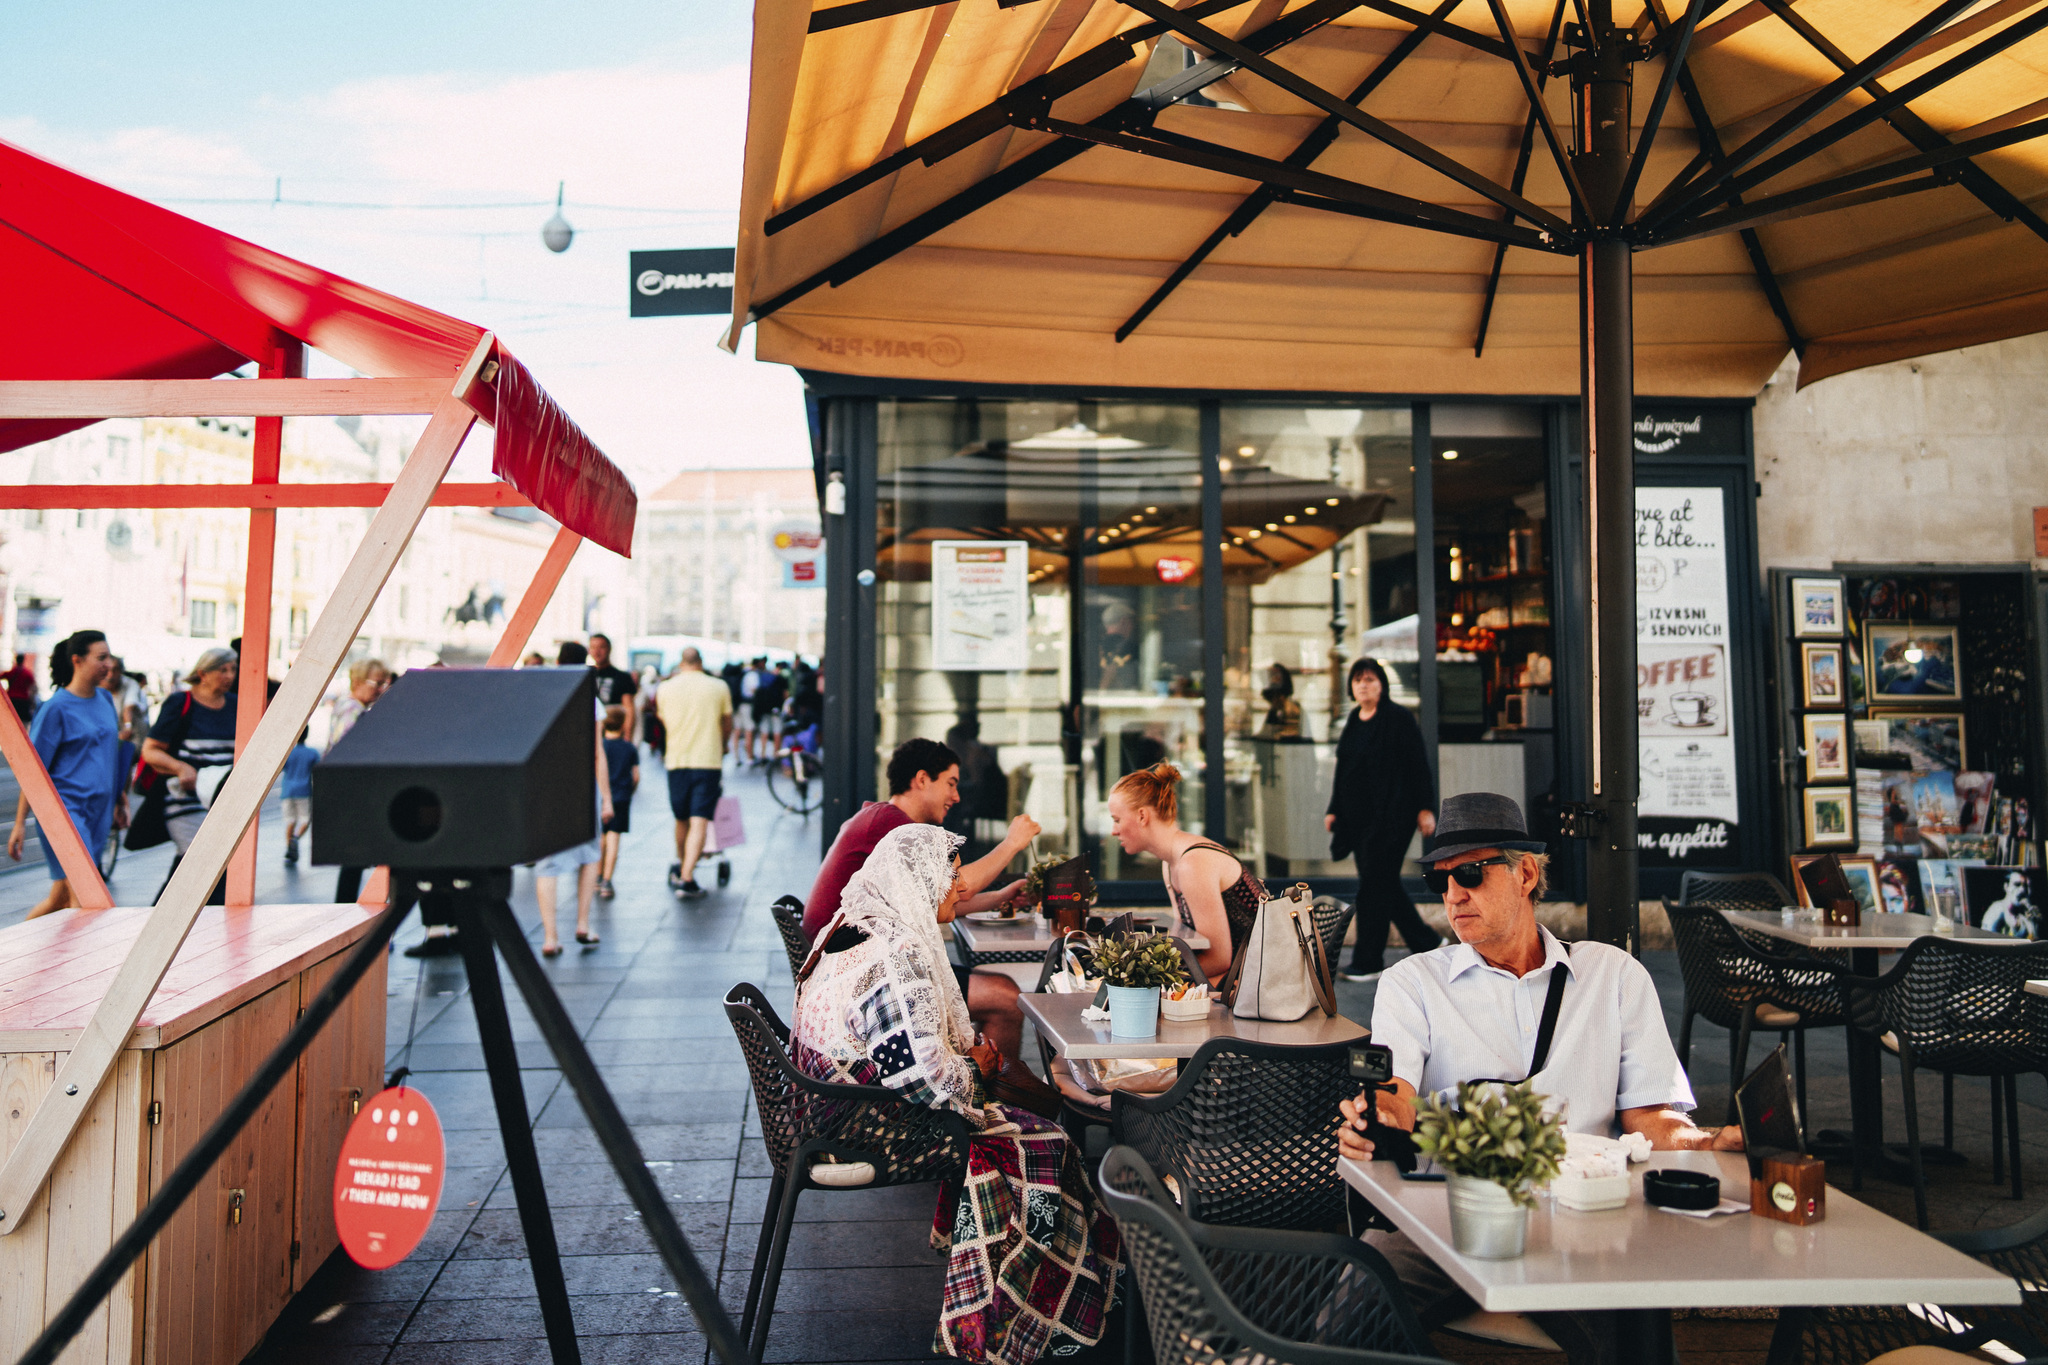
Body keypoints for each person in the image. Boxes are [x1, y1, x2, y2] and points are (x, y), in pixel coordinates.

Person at [1337, 792, 1738, 1338]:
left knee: (1635, 1330)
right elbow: (1396, 1093)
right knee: (1356, 1308)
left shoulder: (1612, 977)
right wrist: (1372, 1118)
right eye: (1442, 880)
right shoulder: (1414, 982)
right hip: (1456, 1208)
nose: (1453, 896)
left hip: (1590, 1213)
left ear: (1525, 874)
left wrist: (1709, 1143)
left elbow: (1650, 1118)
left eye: (1471, 874)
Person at [793, 824, 1120, 1365]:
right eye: (949, 874)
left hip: (830, 1111)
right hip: (870, 1126)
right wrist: (975, 1067)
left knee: (1027, 1126)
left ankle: (1034, 1293)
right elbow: (923, 1080)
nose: (959, 887)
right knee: (1045, 1141)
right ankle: (1015, 1315)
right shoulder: (895, 958)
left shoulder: (851, 928)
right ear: (916, 881)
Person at [805, 737, 1039, 1060]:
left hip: (849, 967)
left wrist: (1000, 897)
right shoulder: (894, 828)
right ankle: (1000, 1097)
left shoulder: (882, 818)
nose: (957, 797)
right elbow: (961, 886)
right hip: (861, 977)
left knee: (999, 993)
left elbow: (942, 897)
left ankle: (989, 1086)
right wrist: (1012, 844)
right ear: (922, 779)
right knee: (1006, 997)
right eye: (951, 784)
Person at [1326, 656, 1441, 982]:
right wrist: (1334, 809)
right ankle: (1427, 942)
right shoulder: (1353, 719)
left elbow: (1418, 765)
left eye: (1371, 680)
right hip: (1359, 820)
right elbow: (1344, 769)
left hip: (1395, 817)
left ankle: (1369, 960)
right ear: (1352, 687)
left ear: (1382, 685)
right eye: (1358, 680)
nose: (1364, 685)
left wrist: (1424, 808)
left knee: (1372, 888)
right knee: (1383, 884)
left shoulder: (1398, 718)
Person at [1104, 762, 1263, 983]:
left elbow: (1219, 959)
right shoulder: (1171, 862)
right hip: (1239, 981)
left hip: (1258, 985)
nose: (1113, 831)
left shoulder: (1192, 863)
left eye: (1117, 820)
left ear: (1142, 816)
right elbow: (1190, 944)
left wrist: (1144, 981)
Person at [8, 631, 123, 918]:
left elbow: (108, 755)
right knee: (86, 899)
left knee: (59, 899)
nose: (109, 664)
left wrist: (120, 799)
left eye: (109, 656)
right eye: (101, 657)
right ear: (77, 661)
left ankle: (16, 957)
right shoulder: (56, 708)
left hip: (99, 812)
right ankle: (83, 964)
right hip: (65, 814)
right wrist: (20, 823)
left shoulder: (106, 700)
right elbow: (33, 770)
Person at [142, 646, 239, 906]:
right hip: (185, 799)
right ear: (202, 674)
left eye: (232, 669)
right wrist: (181, 768)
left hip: (221, 801)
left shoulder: (236, 704)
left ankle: (162, 919)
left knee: (203, 867)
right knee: (200, 862)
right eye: (222, 670)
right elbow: (150, 750)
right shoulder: (180, 703)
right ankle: (160, 922)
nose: (229, 675)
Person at [536, 644, 614, 955]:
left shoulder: (542, 697)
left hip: (546, 785)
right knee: (590, 854)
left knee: (547, 863)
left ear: (557, 662)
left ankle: (550, 938)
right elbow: (598, 754)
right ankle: (582, 923)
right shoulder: (588, 700)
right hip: (582, 785)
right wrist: (607, 798)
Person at [655, 647, 732, 898]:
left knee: (681, 818)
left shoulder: (665, 688)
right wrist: (723, 744)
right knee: (699, 819)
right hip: (708, 760)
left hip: (676, 760)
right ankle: (687, 877)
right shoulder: (718, 686)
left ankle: (682, 864)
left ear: (681, 663)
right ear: (701, 661)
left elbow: (663, 721)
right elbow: (727, 723)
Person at [326, 659, 391, 912]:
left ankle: (346, 914)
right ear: (358, 681)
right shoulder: (352, 710)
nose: (382, 689)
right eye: (377, 683)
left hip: (351, 794)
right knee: (359, 857)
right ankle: (350, 915)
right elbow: (348, 749)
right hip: (356, 795)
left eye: (384, 682)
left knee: (355, 858)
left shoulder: (350, 706)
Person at [597, 705, 638, 900]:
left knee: (600, 838)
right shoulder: (629, 748)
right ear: (623, 725)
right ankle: (607, 879)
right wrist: (630, 790)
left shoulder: (600, 746)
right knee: (614, 838)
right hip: (621, 797)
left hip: (600, 797)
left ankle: (596, 876)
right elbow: (636, 776)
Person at [587, 633, 639, 741]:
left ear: (609, 649)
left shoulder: (622, 677)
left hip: (613, 737)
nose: (597, 652)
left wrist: (627, 738)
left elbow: (629, 709)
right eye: (593, 647)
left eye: (601, 647)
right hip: (589, 736)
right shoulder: (585, 676)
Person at [281, 727, 319, 864]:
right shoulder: (312, 753)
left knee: (290, 820)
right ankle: (295, 839)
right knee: (305, 820)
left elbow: (282, 767)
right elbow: (318, 770)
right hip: (303, 790)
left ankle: (289, 848)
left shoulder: (288, 753)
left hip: (287, 790)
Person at [1255, 662, 1303, 739]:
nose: (1274, 701)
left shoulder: (1292, 710)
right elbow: (1265, 733)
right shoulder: (1275, 711)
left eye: (1276, 696)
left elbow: (1291, 735)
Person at [5, 652, 38, 722]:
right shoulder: (27, 673)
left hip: (11, 699)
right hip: (23, 700)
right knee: (23, 722)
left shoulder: (11, 672)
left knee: (10, 721)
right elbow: (33, 686)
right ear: (23, 660)